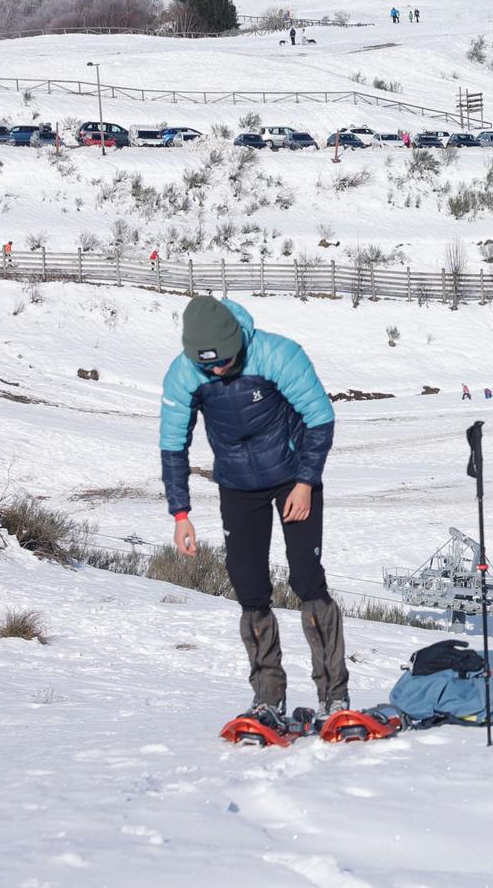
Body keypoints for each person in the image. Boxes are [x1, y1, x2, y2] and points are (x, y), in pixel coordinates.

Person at [160, 296, 345, 726]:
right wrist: (180, 514)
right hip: (238, 485)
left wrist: (304, 482)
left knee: (305, 577)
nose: (217, 370)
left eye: (224, 361)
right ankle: (268, 697)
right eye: (208, 365)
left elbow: (319, 417)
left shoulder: (278, 354)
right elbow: (173, 444)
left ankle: (334, 696)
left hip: (292, 477)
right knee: (248, 585)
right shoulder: (184, 373)